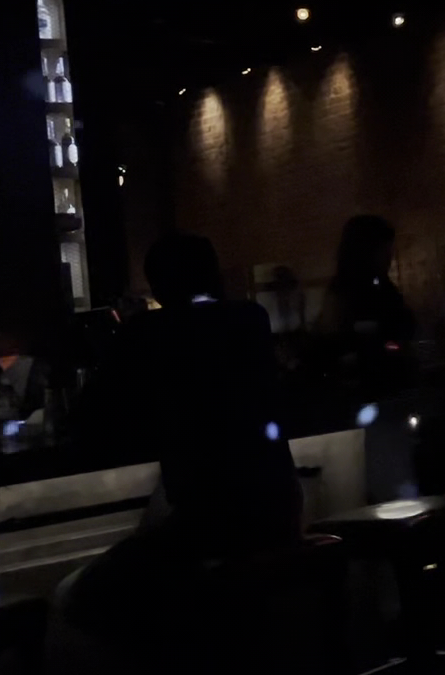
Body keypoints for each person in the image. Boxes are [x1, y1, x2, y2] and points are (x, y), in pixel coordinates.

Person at [63, 233, 302, 641]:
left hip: (210, 524)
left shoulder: (149, 331)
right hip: (279, 509)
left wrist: (116, 342)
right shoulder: (251, 317)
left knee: (83, 595)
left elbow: (90, 418)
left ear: (158, 286)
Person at [313, 214, 417, 392]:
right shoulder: (347, 290)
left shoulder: (381, 287)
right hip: (363, 385)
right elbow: (335, 340)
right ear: (367, 250)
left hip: (385, 380)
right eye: (384, 250)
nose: (389, 257)